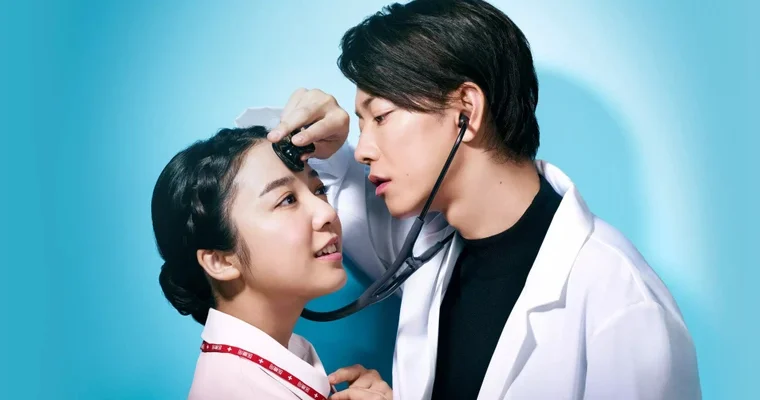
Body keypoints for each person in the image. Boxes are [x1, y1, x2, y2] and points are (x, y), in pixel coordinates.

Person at [236, 0, 702, 399]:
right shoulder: (423, 244)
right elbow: (291, 195)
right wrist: (316, 135)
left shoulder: (623, 304)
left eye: (380, 116)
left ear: (466, 110)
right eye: (361, 126)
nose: (363, 149)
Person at [151, 125, 392, 400]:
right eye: (287, 200)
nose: (327, 212)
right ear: (220, 261)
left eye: (318, 189)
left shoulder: (274, 359)